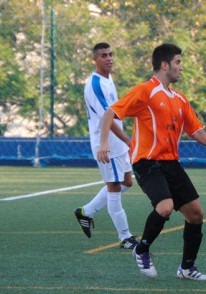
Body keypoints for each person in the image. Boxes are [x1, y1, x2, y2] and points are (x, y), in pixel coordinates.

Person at [96, 43, 206, 280]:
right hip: (146, 161)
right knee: (165, 207)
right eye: (178, 62)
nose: (181, 67)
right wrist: (104, 142)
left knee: (196, 214)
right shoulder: (146, 90)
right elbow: (110, 113)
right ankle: (142, 249)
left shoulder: (180, 99)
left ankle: (187, 269)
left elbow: (195, 129)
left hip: (171, 163)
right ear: (164, 65)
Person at [74, 42, 138, 250]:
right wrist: (126, 140)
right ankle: (125, 237)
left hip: (116, 142)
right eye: (103, 55)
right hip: (106, 144)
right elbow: (106, 119)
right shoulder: (94, 84)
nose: (109, 58)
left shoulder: (108, 79)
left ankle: (86, 212)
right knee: (114, 186)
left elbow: (115, 113)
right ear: (95, 59)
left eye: (111, 54)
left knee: (127, 182)